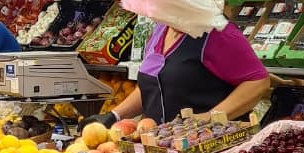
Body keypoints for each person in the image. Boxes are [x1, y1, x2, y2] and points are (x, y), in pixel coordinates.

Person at [102, 21, 270, 125]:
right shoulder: (160, 30)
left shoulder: (216, 32)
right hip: (162, 150)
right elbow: (153, 86)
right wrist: (115, 115)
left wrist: (210, 118)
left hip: (208, 152)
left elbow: (257, 81)